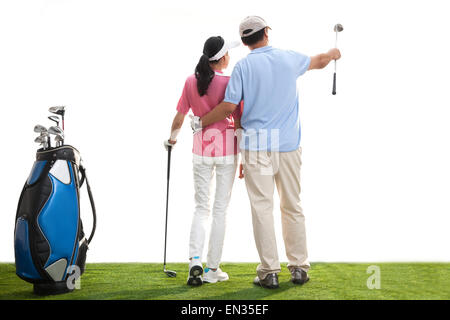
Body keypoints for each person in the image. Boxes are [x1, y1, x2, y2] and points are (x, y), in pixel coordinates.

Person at [191, 16, 342, 289]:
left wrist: (200, 122)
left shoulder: (242, 67)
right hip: (287, 145)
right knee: (292, 205)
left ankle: (269, 272)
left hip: (256, 146)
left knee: (262, 208)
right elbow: (319, 61)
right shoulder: (288, 58)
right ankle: (298, 267)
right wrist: (332, 54)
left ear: (246, 41)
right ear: (267, 33)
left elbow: (228, 107)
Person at [164, 36, 241, 286]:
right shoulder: (232, 82)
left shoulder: (190, 81)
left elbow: (179, 118)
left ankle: (194, 261)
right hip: (228, 150)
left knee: (201, 208)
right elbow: (239, 121)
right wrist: (244, 155)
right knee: (220, 210)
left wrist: (171, 140)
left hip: (201, 151)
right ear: (223, 58)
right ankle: (212, 269)